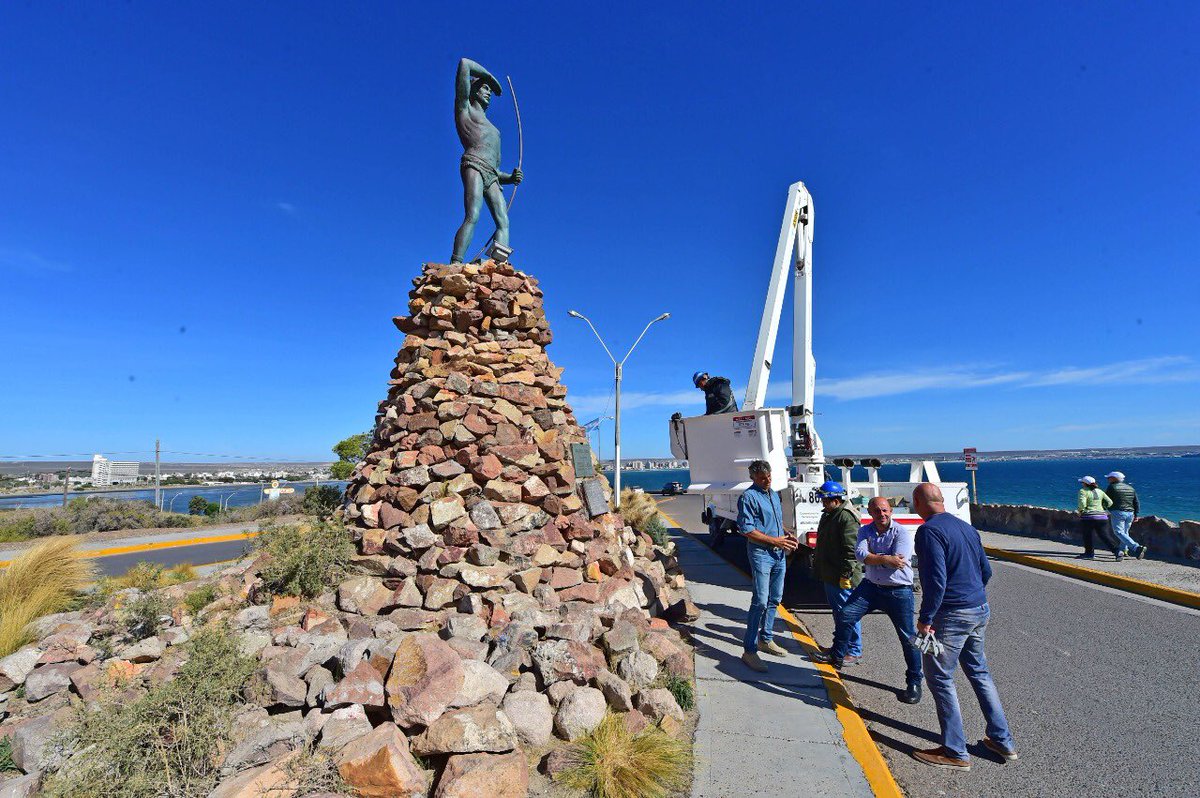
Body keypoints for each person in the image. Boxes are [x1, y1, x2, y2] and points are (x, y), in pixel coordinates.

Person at [911, 483, 1017, 770]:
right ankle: (1002, 740)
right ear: (941, 500)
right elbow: (986, 571)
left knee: (941, 678)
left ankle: (955, 752)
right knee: (980, 673)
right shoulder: (967, 528)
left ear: (918, 501)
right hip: (979, 608)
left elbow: (935, 581)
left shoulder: (929, 531)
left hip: (951, 614)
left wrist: (926, 618)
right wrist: (972, 597)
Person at [814, 497, 922, 703]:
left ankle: (914, 682)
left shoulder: (901, 532)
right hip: (871, 587)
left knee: (908, 639)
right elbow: (860, 554)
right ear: (870, 513)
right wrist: (884, 558)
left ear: (890, 511)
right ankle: (837, 654)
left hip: (898, 591)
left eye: (884, 511)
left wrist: (877, 558)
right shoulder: (866, 530)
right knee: (845, 615)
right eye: (876, 511)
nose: (881, 515)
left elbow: (898, 561)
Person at [451, 57, 524, 264]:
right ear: (473, 90)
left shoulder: (495, 131)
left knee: (503, 221)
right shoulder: (466, 111)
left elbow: (496, 168)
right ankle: (456, 262)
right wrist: (490, 78)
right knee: (473, 214)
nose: (488, 92)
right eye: (484, 88)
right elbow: (464, 64)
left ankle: (500, 266)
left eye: (489, 90)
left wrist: (509, 177)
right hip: (473, 164)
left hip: (491, 175)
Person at [736, 459, 798, 673]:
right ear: (752, 477)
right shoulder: (748, 497)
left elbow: (774, 521)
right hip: (761, 554)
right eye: (762, 478)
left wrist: (786, 534)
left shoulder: (773, 494)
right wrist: (776, 541)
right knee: (760, 601)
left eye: (769, 476)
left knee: (775, 599)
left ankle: (766, 638)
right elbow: (747, 530)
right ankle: (749, 650)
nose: (767, 481)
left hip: (778, 553)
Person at [810, 480, 863, 665]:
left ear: (836, 499)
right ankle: (840, 646)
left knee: (848, 613)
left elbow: (851, 550)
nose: (823, 503)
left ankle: (854, 651)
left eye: (826, 500)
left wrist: (846, 574)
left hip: (841, 576)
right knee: (839, 613)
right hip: (831, 574)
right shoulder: (830, 514)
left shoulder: (846, 517)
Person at [1077, 476, 1121, 561]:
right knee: (1105, 536)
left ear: (1085, 484)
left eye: (1082, 483)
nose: (1082, 484)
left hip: (1088, 517)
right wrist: (1103, 508)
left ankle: (1089, 553)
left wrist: (1081, 511)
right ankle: (1117, 551)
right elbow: (1110, 502)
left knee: (1087, 535)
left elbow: (1082, 503)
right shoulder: (1100, 491)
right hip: (1102, 517)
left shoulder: (1083, 491)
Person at [1105, 471, 1146, 559]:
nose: (1107, 479)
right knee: (1125, 533)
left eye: (1109, 477)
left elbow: (1106, 500)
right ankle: (1123, 551)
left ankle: (1136, 547)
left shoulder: (1112, 487)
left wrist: (1106, 508)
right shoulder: (1130, 488)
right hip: (1130, 513)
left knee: (1118, 532)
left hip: (1118, 512)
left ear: (1114, 478)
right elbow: (1136, 502)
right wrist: (1136, 514)